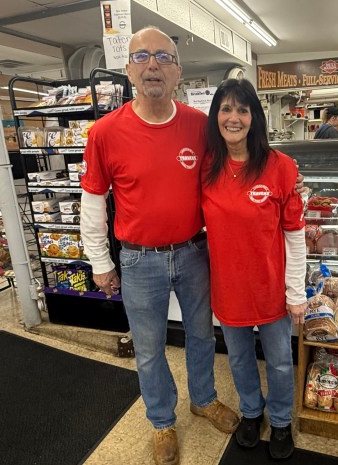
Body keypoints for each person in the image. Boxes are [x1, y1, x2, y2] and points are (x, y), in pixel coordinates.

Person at [80, 26, 240, 465]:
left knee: (203, 336)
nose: (153, 64)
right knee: (149, 349)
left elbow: (226, 180)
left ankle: (203, 399)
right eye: (142, 57)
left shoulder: (197, 125)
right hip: (137, 260)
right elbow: (93, 202)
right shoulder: (105, 132)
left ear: (178, 73)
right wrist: (99, 261)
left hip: (194, 253)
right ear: (128, 70)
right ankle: (161, 421)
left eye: (163, 58)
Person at [201, 78, 307, 460]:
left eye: (242, 110)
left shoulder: (279, 167)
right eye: (225, 109)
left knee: (279, 361)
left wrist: (295, 292)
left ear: (254, 117)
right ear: (216, 117)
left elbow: (295, 235)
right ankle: (251, 411)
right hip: (228, 287)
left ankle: (280, 420)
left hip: (271, 289)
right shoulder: (207, 168)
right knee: (241, 357)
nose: (233, 117)